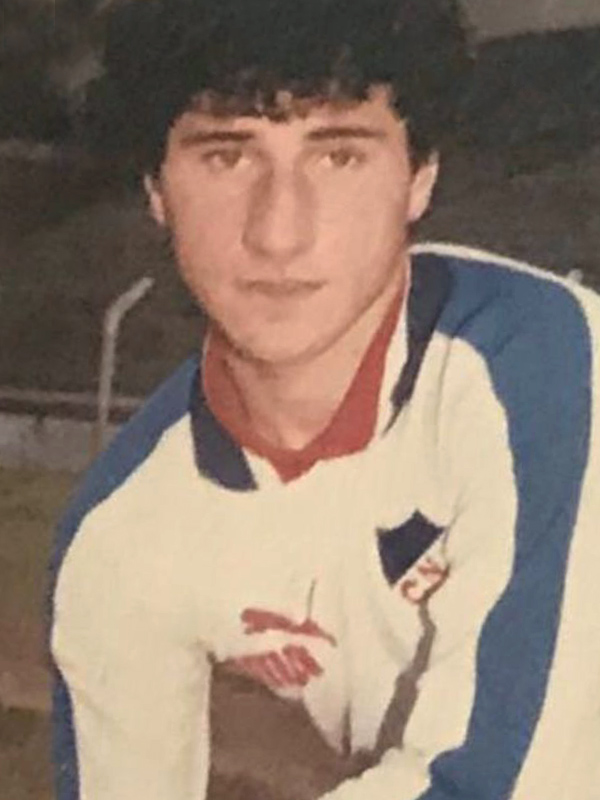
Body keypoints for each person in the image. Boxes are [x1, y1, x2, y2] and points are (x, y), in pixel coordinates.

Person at [48, 1, 600, 798]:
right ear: (156, 190)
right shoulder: (124, 533)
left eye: (339, 156)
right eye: (226, 156)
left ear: (420, 178)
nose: (279, 232)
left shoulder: (546, 369)